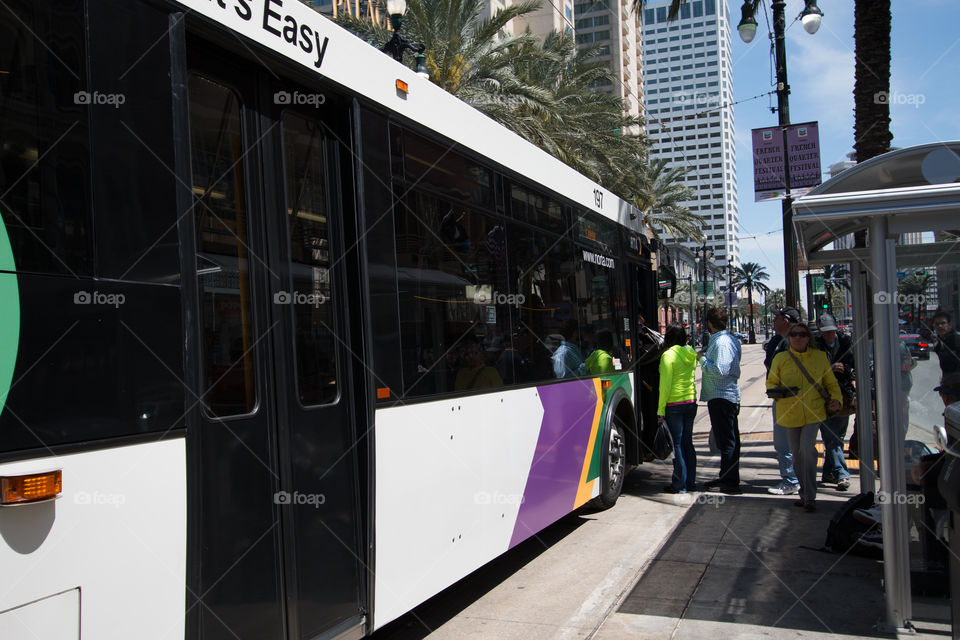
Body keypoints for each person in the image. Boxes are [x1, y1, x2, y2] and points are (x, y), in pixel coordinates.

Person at [767, 323, 842, 512]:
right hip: (789, 413)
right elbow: (771, 383)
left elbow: (831, 383)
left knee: (807, 450)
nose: (797, 338)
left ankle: (810, 495)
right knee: (797, 455)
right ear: (789, 337)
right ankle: (804, 492)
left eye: (802, 334)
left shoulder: (819, 357)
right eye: (794, 334)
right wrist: (779, 393)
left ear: (809, 337)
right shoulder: (781, 358)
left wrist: (836, 400)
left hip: (813, 412)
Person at [700, 307, 743, 494]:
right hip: (724, 396)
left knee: (727, 442)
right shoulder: (726, 340)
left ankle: (730, 482)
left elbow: (721, 370)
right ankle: (726, 476)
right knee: (728, 439)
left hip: (722, 397)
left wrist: (701, 360)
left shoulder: (722, 342)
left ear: (709, 323)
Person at [815, 313, 855, 491]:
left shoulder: (847, 342)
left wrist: (845, 370)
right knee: (831, 436)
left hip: (844, 395)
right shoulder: (815, 345)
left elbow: (856, 364)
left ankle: (828, 472)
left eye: (831, 331)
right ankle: (841, 473)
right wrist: (829, 369)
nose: (828, 335)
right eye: (825, 332)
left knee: (837, 436)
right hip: (823, 396)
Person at [765, 307, 802, 495]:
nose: (773, 321)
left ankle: (791, 480)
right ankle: (795, 479)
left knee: (784, 442)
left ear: (786, 321)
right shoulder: (778, 341)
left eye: (777, 318)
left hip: (789, 400)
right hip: (784, 398)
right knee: (788, 442)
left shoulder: (793, 343)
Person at [657, 325, 699, 493]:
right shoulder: (690, 352)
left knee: (678, 445)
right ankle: (691, 482)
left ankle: (679, 484)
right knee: (688, 442)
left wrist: (660, 411)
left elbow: (665, 387)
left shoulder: (668, 356)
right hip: (690, 401)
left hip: (674, 404)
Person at [932, 311, 960, 375]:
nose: (940, 326)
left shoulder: (957, 339)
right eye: (937, 324)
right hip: (948, 381)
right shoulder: (940, 342)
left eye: (943, 323)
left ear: (950, 325)